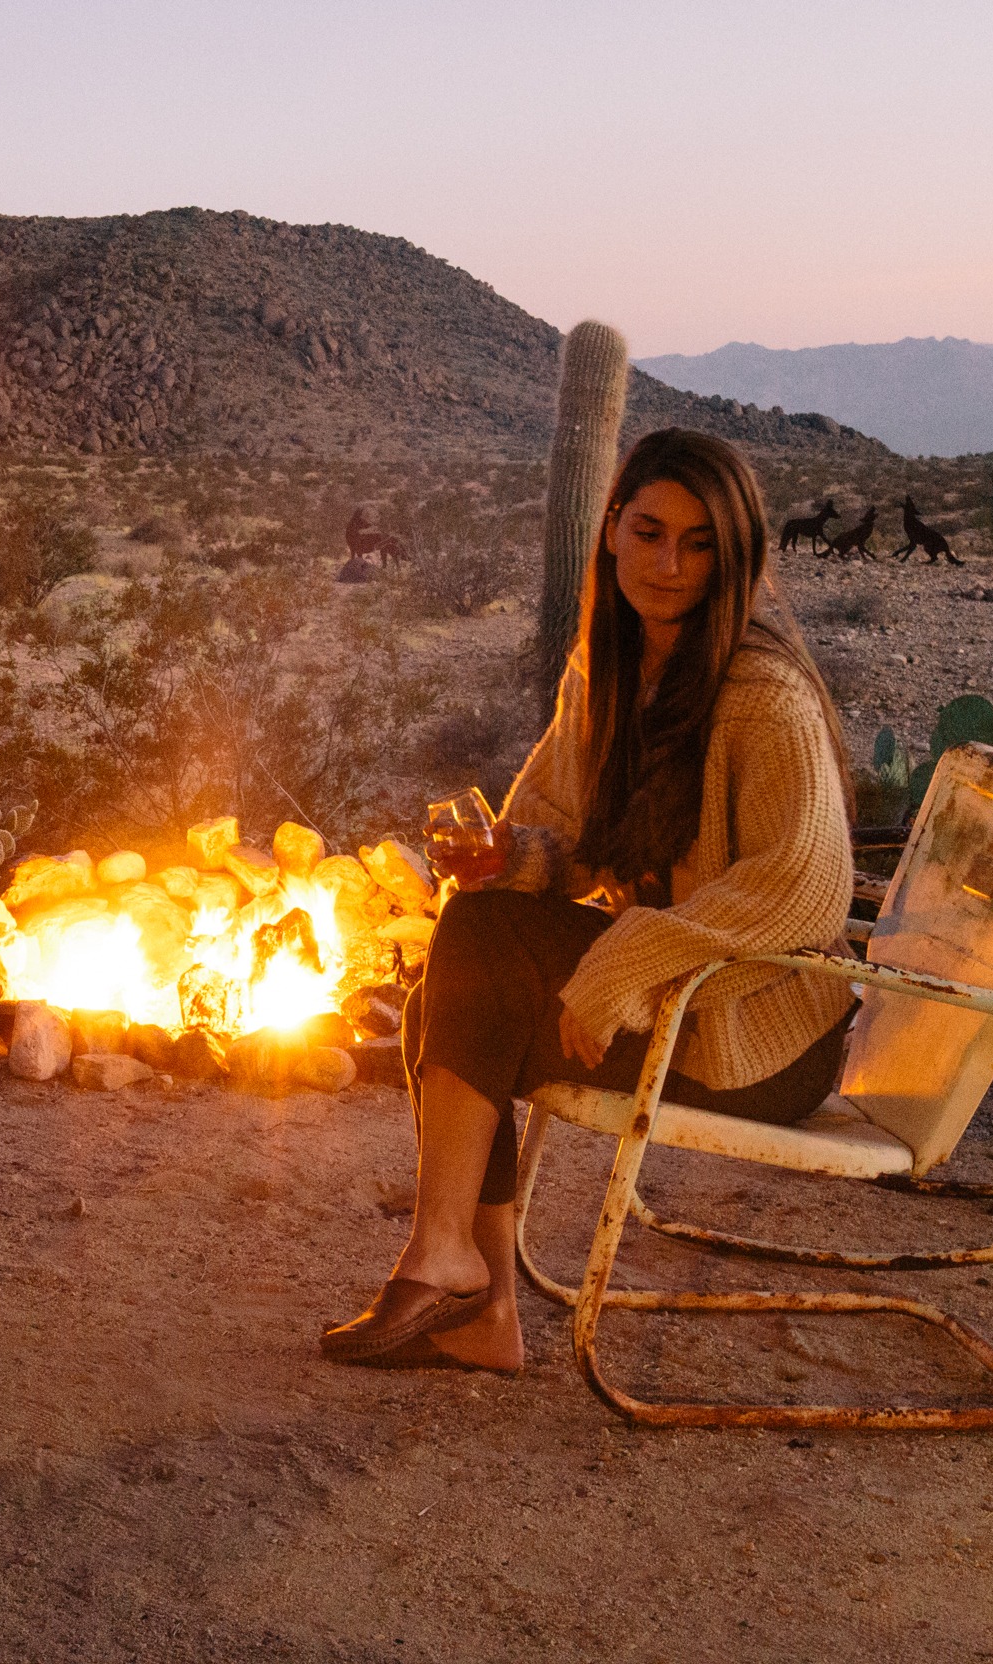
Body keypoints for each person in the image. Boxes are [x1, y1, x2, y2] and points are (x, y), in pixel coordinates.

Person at [322, 429, 853, 1372]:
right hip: (682, 1003)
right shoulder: (606, 666)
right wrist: (511, 858)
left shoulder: (763, 693)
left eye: (698, 545)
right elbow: (562, 841)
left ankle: (453, 1271)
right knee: (449, 995)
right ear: (607, 527)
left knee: (470, 976)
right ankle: (473, 1302)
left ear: (732, 558)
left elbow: (801, 888)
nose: (668, 564)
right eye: (648, 531)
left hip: (763, 1033)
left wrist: (624, 965)